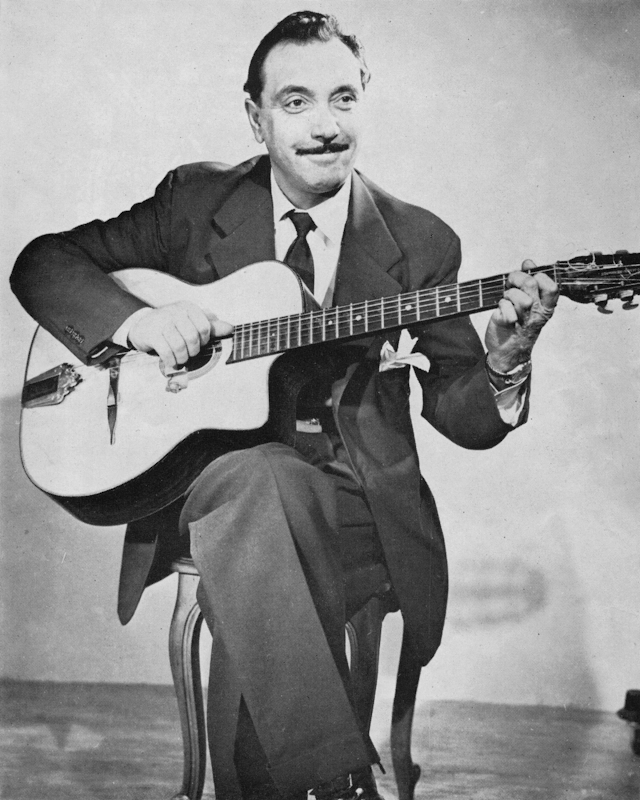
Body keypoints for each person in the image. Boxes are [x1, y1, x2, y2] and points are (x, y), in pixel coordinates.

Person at [10, 11, 558, 800]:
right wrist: (139, 323)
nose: (325, 125)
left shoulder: (420, 241)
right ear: (256, 116)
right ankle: (333, 780)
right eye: (296, 102)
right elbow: (44, 264)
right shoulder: (196, 201)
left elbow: (464, 414)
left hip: (356, 494)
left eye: (343, 98)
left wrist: (506, 360)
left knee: (275, 519)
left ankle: (299, 781)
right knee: (265, 482)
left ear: (365, 99)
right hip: (212, 480)